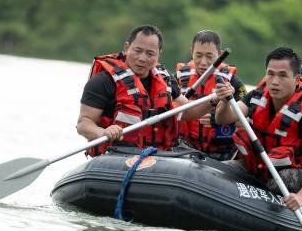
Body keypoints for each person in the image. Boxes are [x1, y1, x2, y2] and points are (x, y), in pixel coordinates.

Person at [214, 47, 302, 211]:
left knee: (279, 181)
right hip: (261, 168)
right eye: (270, 74)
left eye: (283, 75)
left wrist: (301, 196)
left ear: (297, 80)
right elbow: (223, 118)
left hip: (301, 176)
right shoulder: (257, 97)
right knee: (219, 171)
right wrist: (225, 101)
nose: (275, 81)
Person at [76, 25, 214, 155]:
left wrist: (213, 100)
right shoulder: (102, 81)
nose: (142, 58)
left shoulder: (165, 79)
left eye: (150, 53)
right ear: (127, 47)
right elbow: (84, 123)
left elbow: (188, 111)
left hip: (159, 156)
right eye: (137, 50)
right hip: (117, 154)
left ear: (159, 54)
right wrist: (102, 132)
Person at [175, 30, 247, 160]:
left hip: (222, 154)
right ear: (192, 52)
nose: (203, 62)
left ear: (219, 55)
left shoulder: (233, 82)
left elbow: (248, 121)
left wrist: (221, 120)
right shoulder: (177, 80)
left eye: (209, 56)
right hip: (184, 152)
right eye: (198, 55)